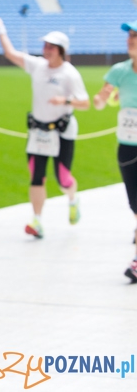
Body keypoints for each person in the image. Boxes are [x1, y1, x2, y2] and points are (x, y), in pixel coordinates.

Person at [0, 16, 89, 240]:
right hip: (38, 131)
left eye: (51, 47)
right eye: (45, 45)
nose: (46, 50)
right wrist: (1, 29)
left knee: (63, 177)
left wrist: (64, 101)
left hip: (62, 131)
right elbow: (11, 54)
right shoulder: (37, 66)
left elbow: (85, 102)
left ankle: (73, 199)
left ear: (61, 50)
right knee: (36, 176)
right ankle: (37, 220)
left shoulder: (70, 73)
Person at [92, 19, 137, 283]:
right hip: (127, 146)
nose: (130, 39)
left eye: (135, 35)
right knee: (134, 204)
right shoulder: (120, 71)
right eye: (129, 35)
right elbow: (101, 96)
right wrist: (102, 98)